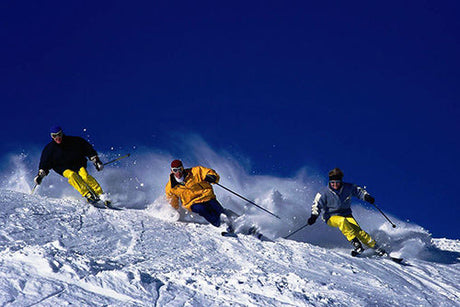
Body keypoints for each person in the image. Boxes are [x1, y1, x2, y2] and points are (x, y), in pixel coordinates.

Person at [307, 168, 386, 256]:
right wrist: (313, 216)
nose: (335, 185)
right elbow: (316, 205)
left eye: (337, 182)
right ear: (330, 182)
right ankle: (356, 244)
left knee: (359, 231)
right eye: (333, 182)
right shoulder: (323, 193)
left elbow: (359, 191)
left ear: (341, 181)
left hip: (346, 214)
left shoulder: (348, 188)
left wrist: (367, 197)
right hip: (330, 217)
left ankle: (376, 248)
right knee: (342, 221)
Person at [34, 125, 108, 206]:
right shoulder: (49, 149)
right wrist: (40, 175)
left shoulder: (74, 141)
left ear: (62, 133)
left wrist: (96, 161)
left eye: (59, 134)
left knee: (85, 176)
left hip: (77, 163)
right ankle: (87, 194)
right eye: (54, 136)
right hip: (62, 168)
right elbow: (44, 163)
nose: (57, 138)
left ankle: (100, 194)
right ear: (51, 136)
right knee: (71, 175)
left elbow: (87, 149)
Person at [165, 160, 237, 232]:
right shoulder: (171, 187)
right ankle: (221, 224)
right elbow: (173, 201)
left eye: (180, 169)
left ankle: (236, 220)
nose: (178, 173)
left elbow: (208, 172)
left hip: (207, 197)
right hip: (192, 203)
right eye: (175, 170)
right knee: (202, 209)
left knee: (218, 209)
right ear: (171, 171)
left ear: (183, 168)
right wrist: (176, 211)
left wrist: (212, 177)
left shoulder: (195, 172)